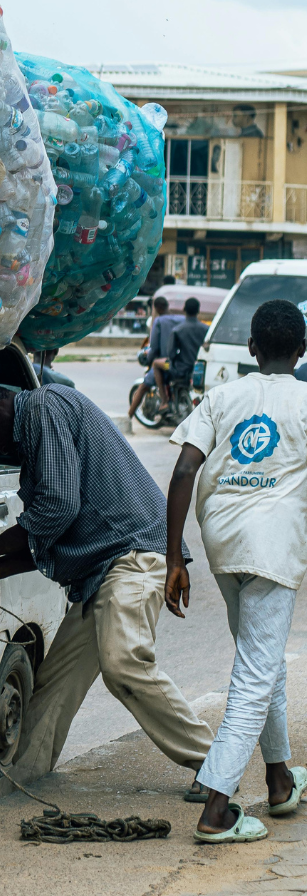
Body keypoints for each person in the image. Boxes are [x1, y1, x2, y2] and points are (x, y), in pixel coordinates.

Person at [0, 381, 213, 787]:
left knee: (124, 665)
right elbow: (66, 534)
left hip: (130, 559)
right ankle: (21, 787)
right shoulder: (43, 420)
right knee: (56, 686)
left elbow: (59, 505)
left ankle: (217, 765)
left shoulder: (40, 408)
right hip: (102, 571)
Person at [165, 299, 307, 843]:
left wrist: (175, 557)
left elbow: (183, 469)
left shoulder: (222, 396)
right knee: (253, 677)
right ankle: (217, 808)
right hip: (271, 549)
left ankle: (278, 780)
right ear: (302, 351)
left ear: (251, 348)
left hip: (222, 541)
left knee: (260, 660)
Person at [131, 295, 184, 419]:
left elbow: (154, 349)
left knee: (144, 386)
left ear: (157, 308)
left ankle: (128, 416)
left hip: (166, 364)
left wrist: (149, 359)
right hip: (183, 362)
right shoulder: (181, 319)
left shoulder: (159, 321)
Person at [167, 297, 208, 397]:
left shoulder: (177, 330)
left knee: (159, 366)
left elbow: (171, 353)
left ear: (184, 309)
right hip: (201, 370)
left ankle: (165, 401)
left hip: (182, 369)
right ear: (198, 310)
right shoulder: (206, 329)